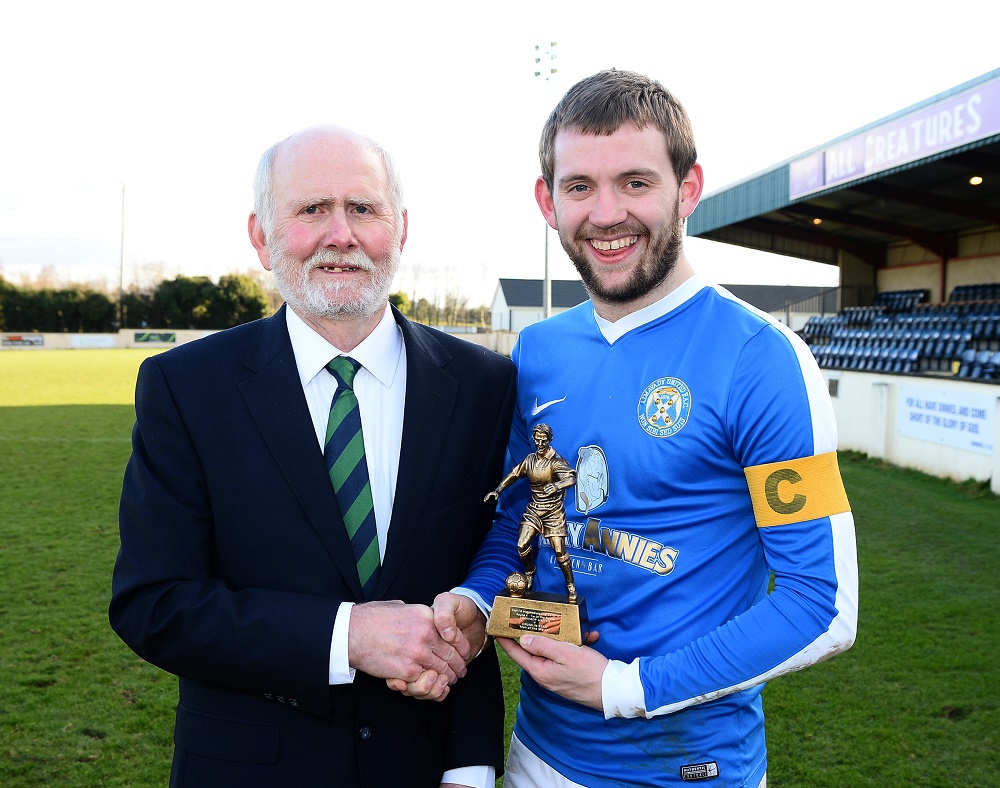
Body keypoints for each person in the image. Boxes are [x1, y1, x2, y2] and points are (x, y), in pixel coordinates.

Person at [425, 70, 859, 787]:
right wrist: (477, 603)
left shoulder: (761, 359)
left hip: (689, 769)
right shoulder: (540, 350)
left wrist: (623, 688)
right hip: (537, 753)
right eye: (579, 187)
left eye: (635, 183)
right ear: (547, 201)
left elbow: (823, 605)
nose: (605, 214)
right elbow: (518, 519)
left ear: (686, 190)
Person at [109, 125, 516, 787]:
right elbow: (154, 603)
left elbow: (482, 578)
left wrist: (470, 762)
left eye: (363, 208)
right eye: (310, 210)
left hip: (431, 763)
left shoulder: (483, 385)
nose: (341, 234)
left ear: (401, 228)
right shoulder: (186, 387)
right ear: (261, 234)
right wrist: (346, 636)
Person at [484, 423, 578, 602]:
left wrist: (557, 485)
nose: (540, 444)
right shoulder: (529, 460)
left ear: (550, 440)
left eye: (544, 440)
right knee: (521, 545)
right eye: (537, 440)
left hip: (553, 512)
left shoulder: (556, 462)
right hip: (535, 509)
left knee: (559, 551)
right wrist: (498, 490)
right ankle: (529, 571)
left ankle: (571, 586)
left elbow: (571, 478)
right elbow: (514, 474)